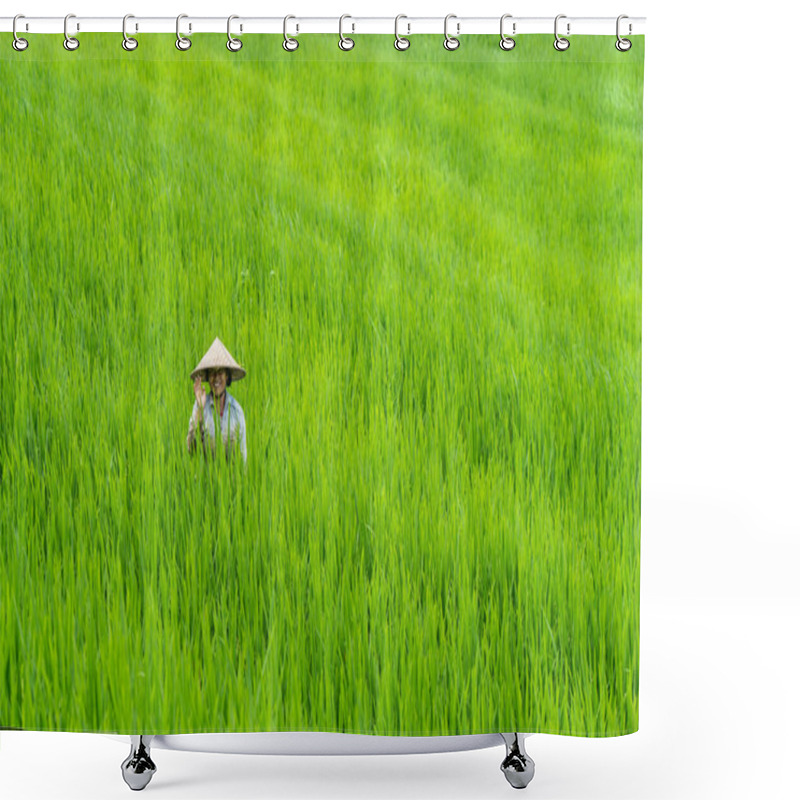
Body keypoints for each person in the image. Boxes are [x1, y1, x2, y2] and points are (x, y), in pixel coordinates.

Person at [187, 337, 247, 464]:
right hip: (206, 479)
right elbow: (191, 450)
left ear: (227, 376)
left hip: (230, 481)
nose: (216, 378)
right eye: (212, 373)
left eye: (220, 372)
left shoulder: (236, 411)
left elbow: (243, 459)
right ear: (208, 377)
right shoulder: (200, 407)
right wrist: (200, 409)